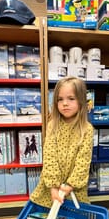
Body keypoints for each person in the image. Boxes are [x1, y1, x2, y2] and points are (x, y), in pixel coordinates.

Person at [30, 76, 94, 208]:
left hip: (74, 188)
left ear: (81, 101)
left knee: (75, 215)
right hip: (51, 186)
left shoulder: (87, 129)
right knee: (48, 214)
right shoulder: (52, 125)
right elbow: (49, 156)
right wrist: (54, 186)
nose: (65, 103)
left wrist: (70, 185)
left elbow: (83, 161)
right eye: (60, 99)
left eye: (71, 98)